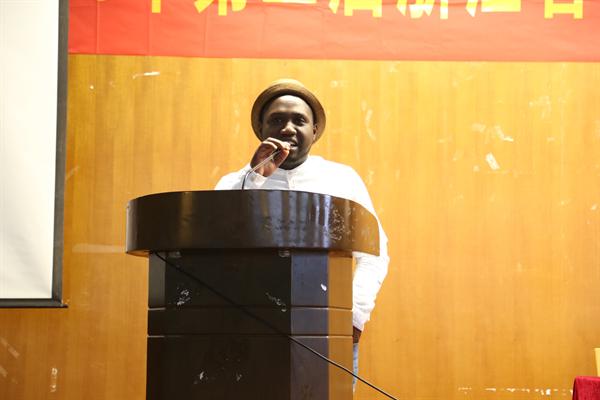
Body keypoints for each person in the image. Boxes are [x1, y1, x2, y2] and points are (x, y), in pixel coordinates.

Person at [215, 79, 389, 385]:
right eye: (276, 120)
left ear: (315, 130)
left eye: (299, 120)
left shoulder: (341, 179)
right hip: (249, 329)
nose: (287, 128)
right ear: (261, 128)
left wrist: (354, 317)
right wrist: (255, 177)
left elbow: (374, 253)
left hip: (326, 329)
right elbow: (215, 238)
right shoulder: (237, 181)